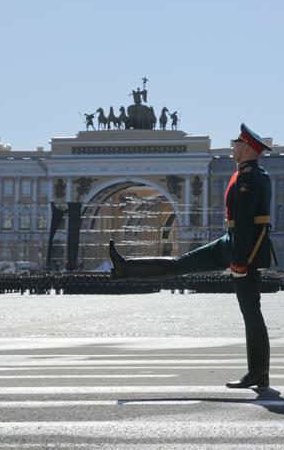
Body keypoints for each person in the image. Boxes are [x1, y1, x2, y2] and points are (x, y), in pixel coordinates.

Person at [108, 123, 274, 389]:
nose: (232, 148)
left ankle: (258, 373)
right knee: (181, 265)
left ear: (245, 148)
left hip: (242, 250)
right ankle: (126, 268)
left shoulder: (249, 179)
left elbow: (245, 223)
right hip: (232, 243)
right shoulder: (253, 174)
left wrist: (241, 262)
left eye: (236, 144)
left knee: (251, 312)